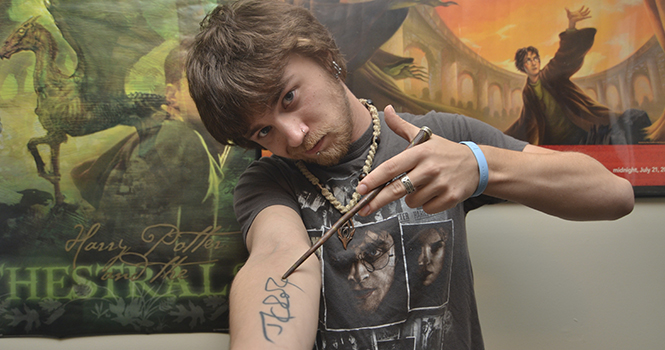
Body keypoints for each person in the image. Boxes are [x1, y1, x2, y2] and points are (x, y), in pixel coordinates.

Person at [185, 1, 634, 349]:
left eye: (288, 97)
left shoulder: (443, 134)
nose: (295, 135)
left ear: (324, 57)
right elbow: (276, 259)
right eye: (264, 130)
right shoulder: (268, 180)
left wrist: (477, 165)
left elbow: (613, 195)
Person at [505, 6, 650, 145]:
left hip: (583, 130)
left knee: (631, 124)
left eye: (535, 58)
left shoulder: (548, 75)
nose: (534, 62)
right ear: (522, 67)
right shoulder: (528, 93)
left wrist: (571, 26)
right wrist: (498, 136)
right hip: (557, 143)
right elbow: (524, 122)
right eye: (528, 60)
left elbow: (563, 57)